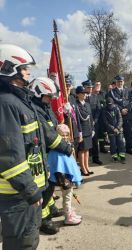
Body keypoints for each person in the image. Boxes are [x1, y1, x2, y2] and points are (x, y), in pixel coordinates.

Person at [0, 44, 46, 249]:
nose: (29, 72)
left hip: (23, 193)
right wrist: (30, 190)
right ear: (10, 68)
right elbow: (10, 156)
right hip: (17, 196)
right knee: (21, 244)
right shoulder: (6, 104)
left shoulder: (18, 101)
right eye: (25, 68)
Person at [30, 77, 74, 234]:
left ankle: (50, 209)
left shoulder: (45, 105)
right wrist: (66, 148)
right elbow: (47, 135)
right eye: (48, 96)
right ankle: (44, 220)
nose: (50, 100)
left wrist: (59, 125)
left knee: (51, 184)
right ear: (38, 93)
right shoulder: (34, 108)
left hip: (50, 154)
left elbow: (52, 125)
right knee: (45, 188)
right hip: (42, 153)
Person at [48, 124, 82, 225]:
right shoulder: (57, 150)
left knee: (69, 196)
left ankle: (70, 212)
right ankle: (68, 217)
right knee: (67, 197)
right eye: (62, 135)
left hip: (68, 177)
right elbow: (57, 165)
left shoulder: (66, 146)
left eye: (67, 135)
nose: (65, 137)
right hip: (64, 178)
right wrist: (64, 180)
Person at [107, 75, 132, 155]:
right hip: (117, 116)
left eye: (121, 81)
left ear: (123, 82)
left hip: (127, 115)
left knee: (128, 133)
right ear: (116, 82)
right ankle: (119, 150)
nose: (120, 83)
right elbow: (112, 103)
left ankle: (129, 149)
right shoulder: (112, 92)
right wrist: (121, 110)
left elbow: (131, 101)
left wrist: (127, 109)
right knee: (118, 135)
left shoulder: (127, 91)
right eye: (118, 81)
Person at [82, 79, 103, 165]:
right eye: (88, 87)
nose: (90, 89)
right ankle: (84, 160)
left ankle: (96, 158)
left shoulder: (95, 97)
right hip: (85, 123)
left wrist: (95, 120)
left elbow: (98, 110)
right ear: (84, 88)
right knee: (85, 142)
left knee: (95, 141)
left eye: (91, 87)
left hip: (94, 123)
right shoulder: (81, 97)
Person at [75, 86, 94, 176]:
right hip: (82, 130)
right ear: (78, 94)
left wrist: (92, 128)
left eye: (85, 93)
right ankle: (82, 168)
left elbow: (91, 117)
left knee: (87, 150)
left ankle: (87, 167)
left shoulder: (87, 104)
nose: (85, 94)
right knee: (82, 150)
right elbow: (77, 120)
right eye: (83, 93)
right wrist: (79, 132)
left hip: (88, 129)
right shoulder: (76, 105)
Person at [103, 97, 126, 163]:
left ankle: (122, 156)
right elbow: (105, 122)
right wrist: (113, 128)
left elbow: (120, 119)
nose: (110, 106)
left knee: (120, 142)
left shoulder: (116, 108)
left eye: (111, 105)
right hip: (111, 130)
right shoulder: (104, 110)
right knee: (113, 144)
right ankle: (115, 157)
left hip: (119, 129)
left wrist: (117, 128)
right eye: (108, 105)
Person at [93, 81, 108, 153]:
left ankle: (102, 147)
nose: (98, 86)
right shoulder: (92, 95)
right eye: (96, 84)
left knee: (102, 133)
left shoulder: (103, 94)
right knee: (95, 134)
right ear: (94, 86)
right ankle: (93, 150)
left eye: (99, 84)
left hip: (102, 117)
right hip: (95, 118)